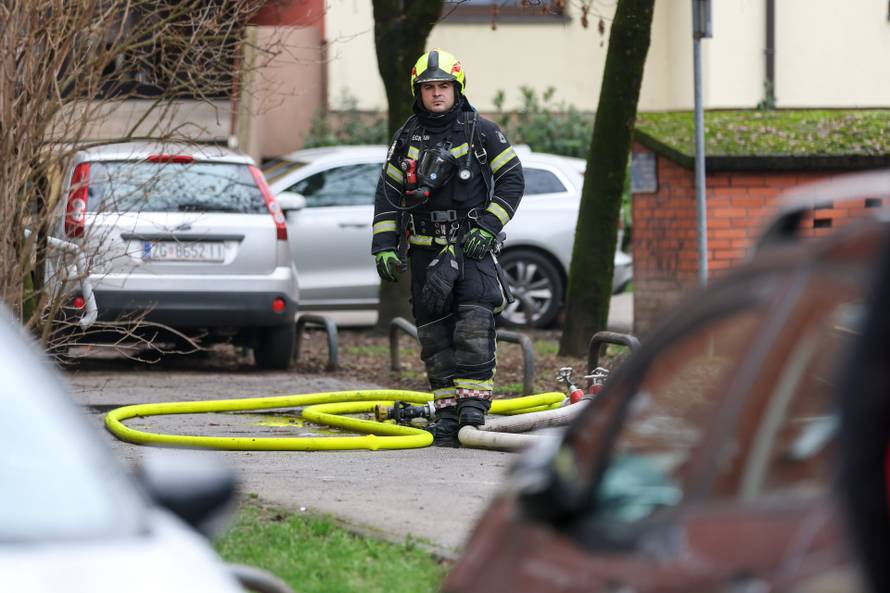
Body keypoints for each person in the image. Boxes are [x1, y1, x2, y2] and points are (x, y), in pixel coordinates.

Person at [371, 48, 524, 447]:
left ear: (458, 88)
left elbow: (512, 180)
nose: (437, 94)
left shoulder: (481, 132)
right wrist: (384, 246)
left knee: (474, 323)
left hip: (470, 248)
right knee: (434, 333)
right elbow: (388, 195)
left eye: (444, 86)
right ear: (417, 92)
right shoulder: (406, 137)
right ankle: (447, 412)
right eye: (428, 87)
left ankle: (474, 409)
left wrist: (489, 227)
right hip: (422, 250)